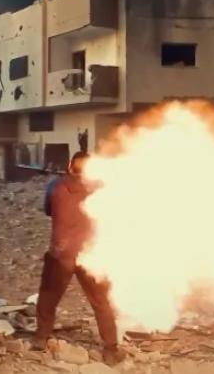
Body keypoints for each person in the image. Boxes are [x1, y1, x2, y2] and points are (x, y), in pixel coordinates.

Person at [35, 151, 126, 365]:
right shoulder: (100, 189)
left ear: (69, 166)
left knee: (48, 297)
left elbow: (48, 210)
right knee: (100, 302)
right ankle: (111, 349)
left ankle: (40, 338)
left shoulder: (55, 185)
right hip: (90, 254)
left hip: (61, 253)